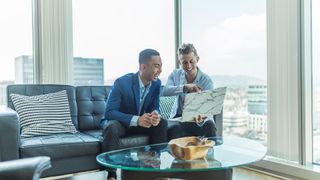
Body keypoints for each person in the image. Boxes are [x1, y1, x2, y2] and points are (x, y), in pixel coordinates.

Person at [100, 49, 168, 180]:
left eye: (161, 66)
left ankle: (155, 168)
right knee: (112, 127)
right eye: (156, 66)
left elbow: (155, 106)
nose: (160, 70)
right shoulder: (122, 82)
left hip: (142, 123)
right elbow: (109, 112)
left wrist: (155, 114)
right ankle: (112, 174)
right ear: (143, 67)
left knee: (162, 123)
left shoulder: (156, 83)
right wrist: (136, 120)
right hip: (122, 123)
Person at [162, 43, 216, 140]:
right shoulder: (176, 74)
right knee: (173, 129)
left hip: (200, 119)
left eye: (192, 61)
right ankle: (178, 154)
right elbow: (165, 91)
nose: (189, 65)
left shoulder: (206, 81)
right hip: (180, 119)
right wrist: (185, 87)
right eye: (185, 62)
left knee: (209, 126)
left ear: (197, 59)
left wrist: (200, 116)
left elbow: (209, 108)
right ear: (180, 62)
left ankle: (210, 154)